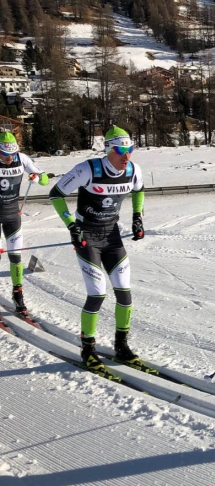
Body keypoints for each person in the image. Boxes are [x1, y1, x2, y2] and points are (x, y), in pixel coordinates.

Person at [49, 126, 145, 371]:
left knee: (124, 293)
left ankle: (121, 346)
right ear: (109, 149)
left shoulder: (133, 170)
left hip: (112, 237)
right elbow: (56, 194)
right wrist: (71, 225)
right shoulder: (87, 169)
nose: (127, 156)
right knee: (98, 293)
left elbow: (139, 191)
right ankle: (88, 349)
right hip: (87, 236)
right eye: (122, 150)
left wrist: (137, 217)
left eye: (130, 149)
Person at [0, 131, 49, 314]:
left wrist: (37, 177)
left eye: (11, 154)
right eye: (5, 155)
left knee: (15, 256)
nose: (9, 158)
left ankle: (17, 293)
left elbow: (44, 179)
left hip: (12, 214)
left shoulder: (22, 159)